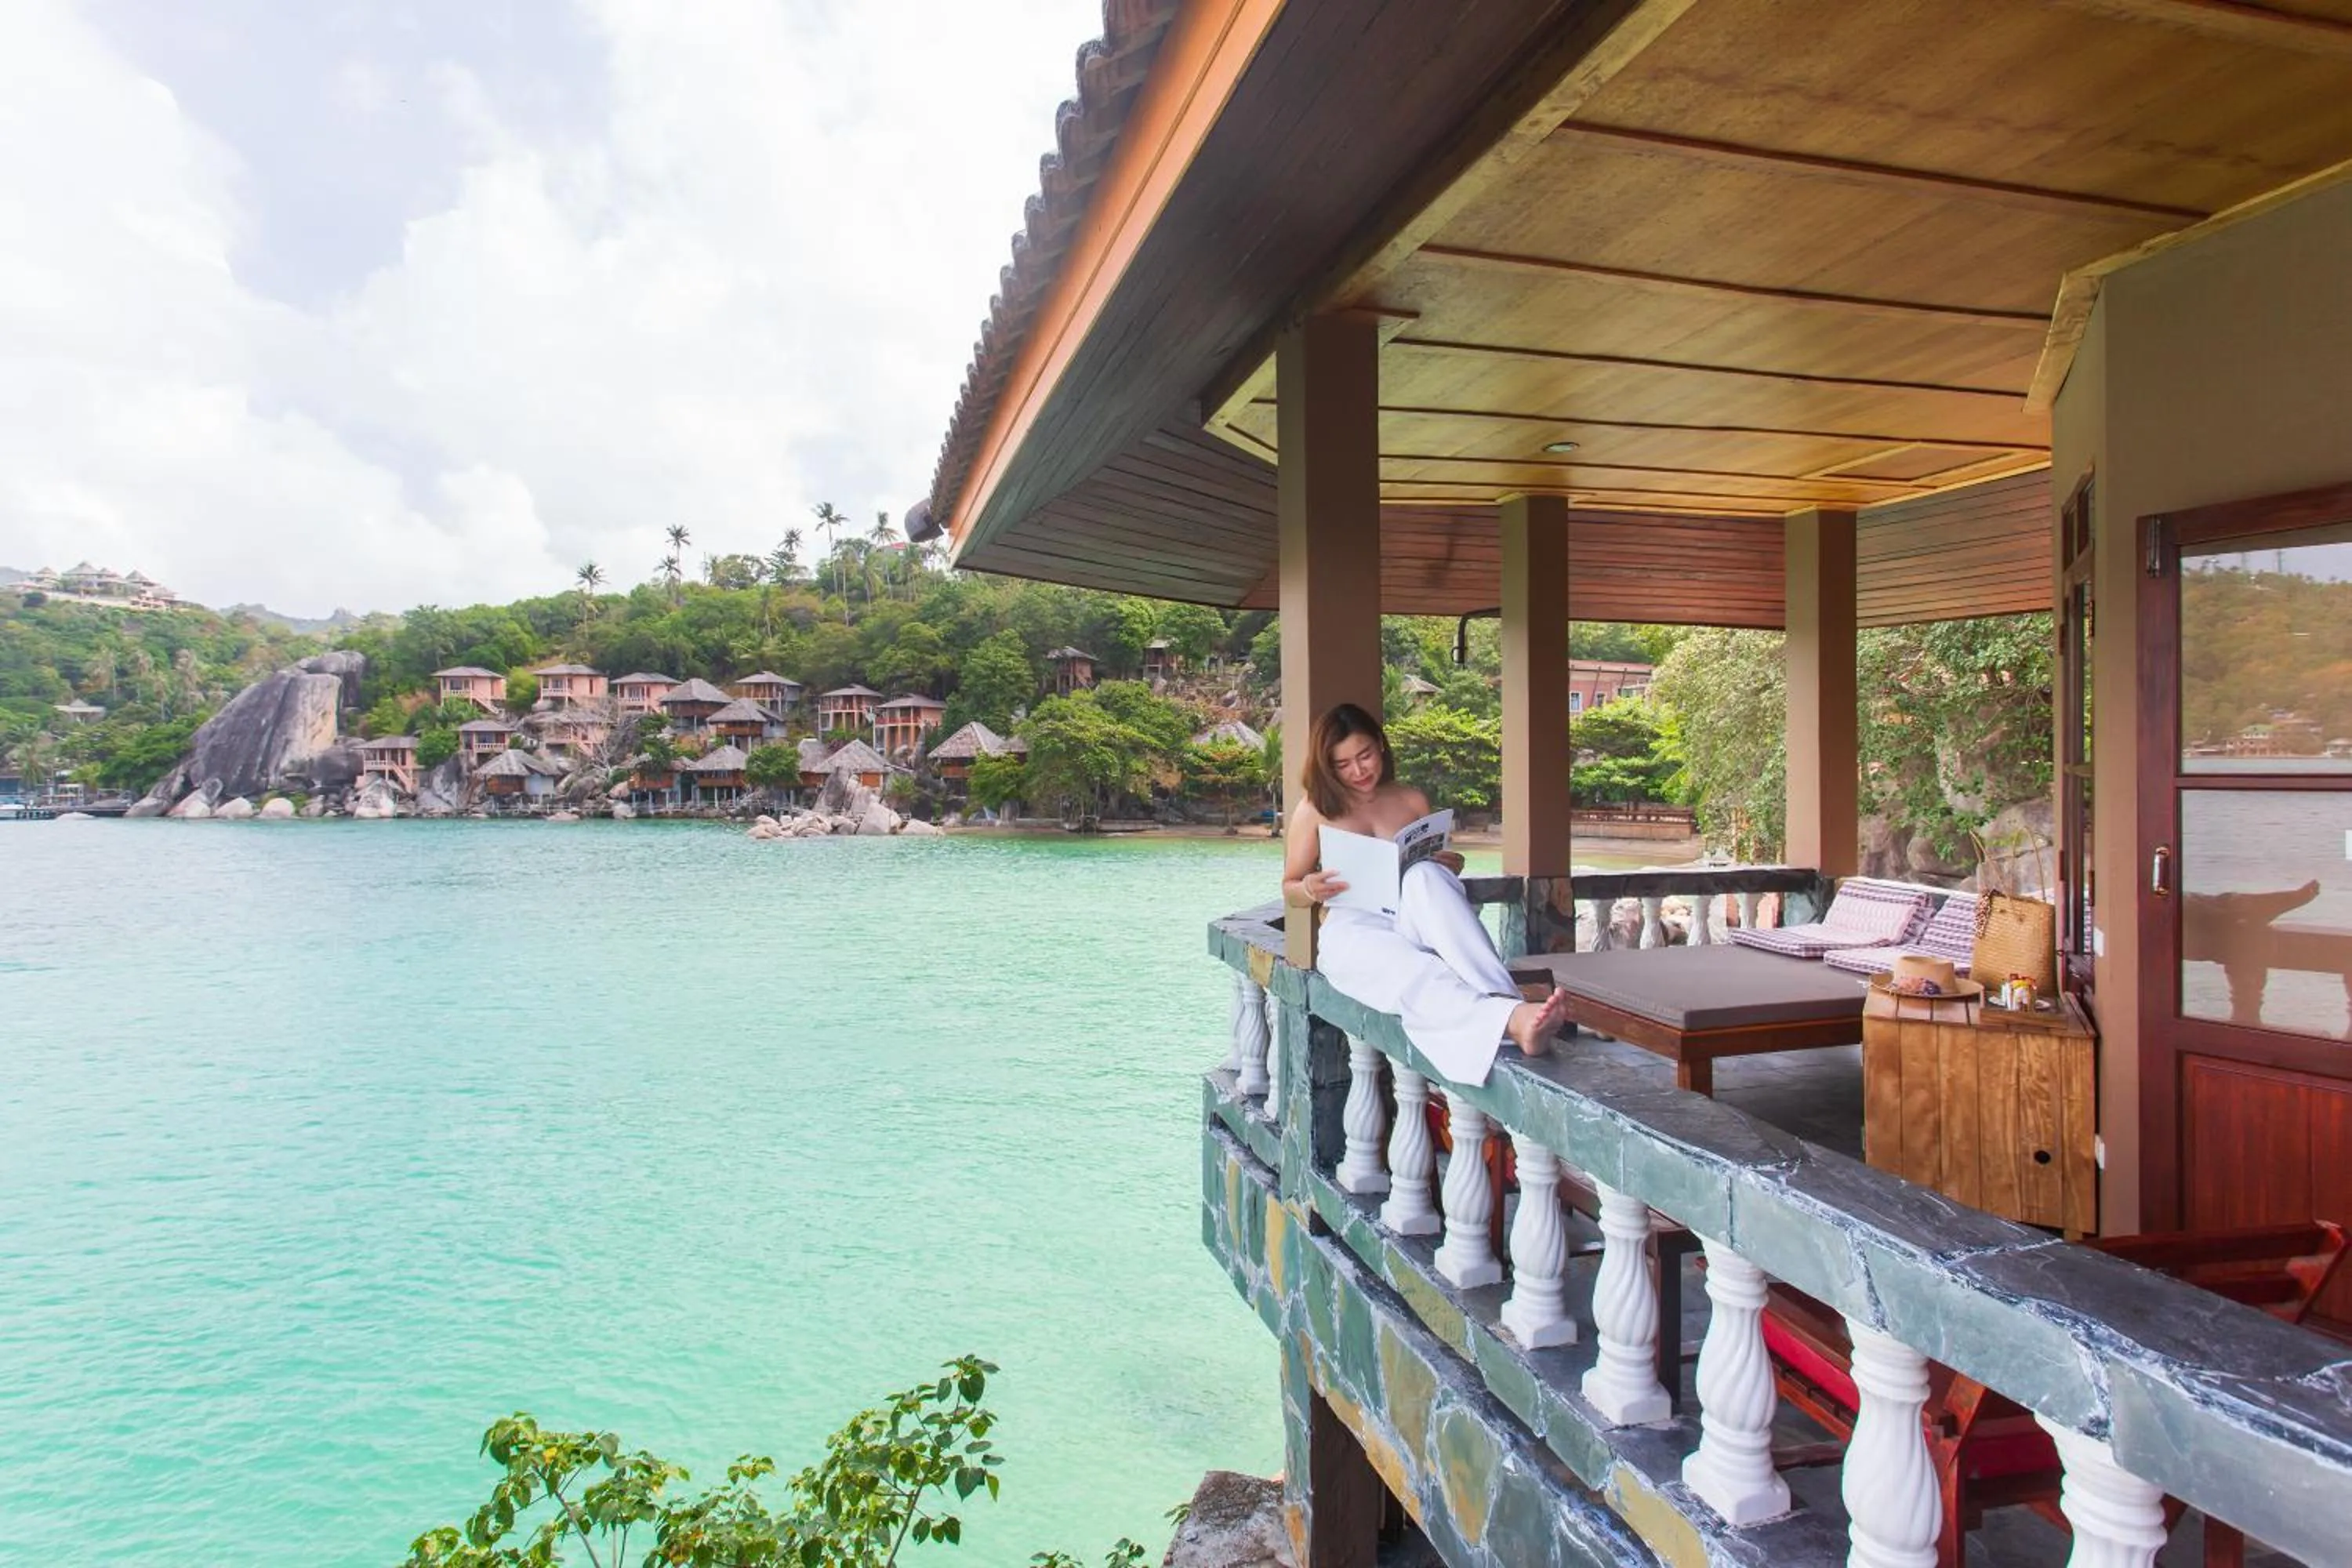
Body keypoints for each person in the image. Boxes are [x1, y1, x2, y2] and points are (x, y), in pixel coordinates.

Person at [1282, 703, 1568, 1085]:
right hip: (1353, 927)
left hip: (1410, 913)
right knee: (1417, 970)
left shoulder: (1411, 800)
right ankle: (1515, 1018)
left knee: (1427, 875)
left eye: (1365, 755)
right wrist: (1308, 887)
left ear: (1381, 746)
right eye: (1343, 764)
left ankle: (1505, 1001)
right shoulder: (1315, 809)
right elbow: (1290, 889)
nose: (1359, 770)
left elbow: (1426, 869)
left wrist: (1443, 864)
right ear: (1327, 766)